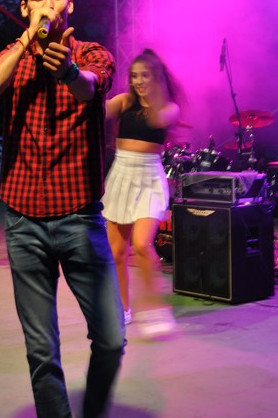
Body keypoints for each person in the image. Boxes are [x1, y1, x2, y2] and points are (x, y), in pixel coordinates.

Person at [0, 0, 125, 418]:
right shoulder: (13, 54)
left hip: (79, 217)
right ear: (24, 8)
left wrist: (68, 71)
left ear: (69, 4)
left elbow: (89, 88)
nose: (47, 4)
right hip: (23, 222)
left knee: (111, 338)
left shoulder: (91, 53)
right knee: (41, 350)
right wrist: (27, 42)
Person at [102, 49, 181, 338]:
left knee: (142, 244)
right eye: (134, 76)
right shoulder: (124, 101)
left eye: (145, 75)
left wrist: (154, 90)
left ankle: (156, 308)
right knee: (116, 252)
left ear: (156, 77)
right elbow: (100, 109)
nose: (138, 81)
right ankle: (122, 308)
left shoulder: (169, 108)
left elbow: (157, 120)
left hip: (149, 177)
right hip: (121, 175)